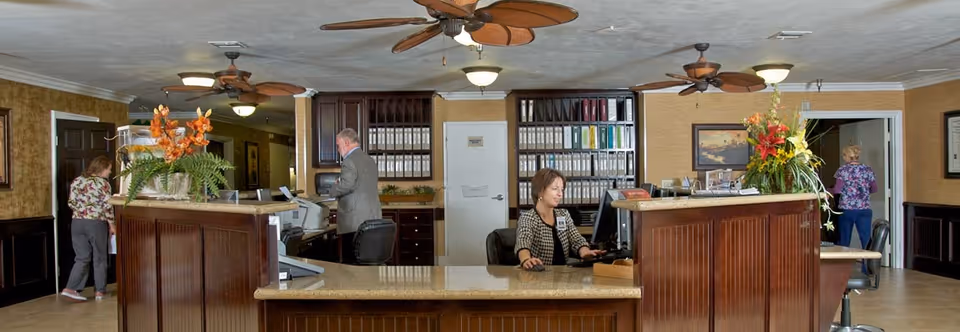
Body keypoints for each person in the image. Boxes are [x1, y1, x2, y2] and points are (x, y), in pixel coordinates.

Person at [515, 168, 604, 270]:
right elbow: (523, 242)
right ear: (540, 191)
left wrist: (585, 252)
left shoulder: (563, 214)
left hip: (563, 276)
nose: (560, 194)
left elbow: (576, 240)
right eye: (555, 189)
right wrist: (526, 259)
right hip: (539, 276)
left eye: (561, 189)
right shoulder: (528, 218)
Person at [60, 155, 115, 302]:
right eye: (109, 169)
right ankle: (100, 291)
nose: (110, 172)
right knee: (100, 257)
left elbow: (71, 203)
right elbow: (107, 206)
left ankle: (71, 288)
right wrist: (112, 224)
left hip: (77, 223)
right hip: (96, 223)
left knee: (81, 257)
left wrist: (82, 211)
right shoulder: (103, 184)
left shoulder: (77, 181)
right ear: (102, 169)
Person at [328, 128, 381, 265]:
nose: (338, 149)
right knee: (368, 262)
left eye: (338, 145)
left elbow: (347, 185)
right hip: (372, 218)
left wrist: (333, 189)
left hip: (353, 221)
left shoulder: (349, 161)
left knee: (352, 265)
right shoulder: (370, 160)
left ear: (346, 142)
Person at [832, 144, 878, 249]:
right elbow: (875, 189)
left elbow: (837, 190)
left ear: (847, 156)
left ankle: (843, 265)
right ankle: (867, 265)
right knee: (866, 239)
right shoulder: (868, 169)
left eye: (843, 156)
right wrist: (862, 192)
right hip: (864, 209)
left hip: (847, 209)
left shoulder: (843, 170)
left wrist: (827, 190)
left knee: (844, 240)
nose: (843, 158)